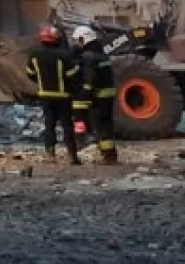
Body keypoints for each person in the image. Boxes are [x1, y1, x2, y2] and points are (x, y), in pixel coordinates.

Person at [26, 22, 81, 164]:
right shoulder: (64, 56)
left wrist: (42, 81)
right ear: (57, 39)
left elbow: (30, 73)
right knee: (67, 126)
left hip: (45, 96)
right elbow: (73, 75)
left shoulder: (34, 55)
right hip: (63, 97)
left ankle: (50, 155)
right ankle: (72, 156)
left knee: (49, 125)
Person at [70, 25, 119, 164]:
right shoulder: (102, 55)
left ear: (83, 39)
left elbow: (89, 77)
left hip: (98, 94)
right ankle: (110, 154)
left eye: (77, 40)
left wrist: (85, 92)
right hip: (108, 93)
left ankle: (108, 156)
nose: (76, 44)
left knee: (100, 125)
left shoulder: (88, 56)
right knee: (106, 124)